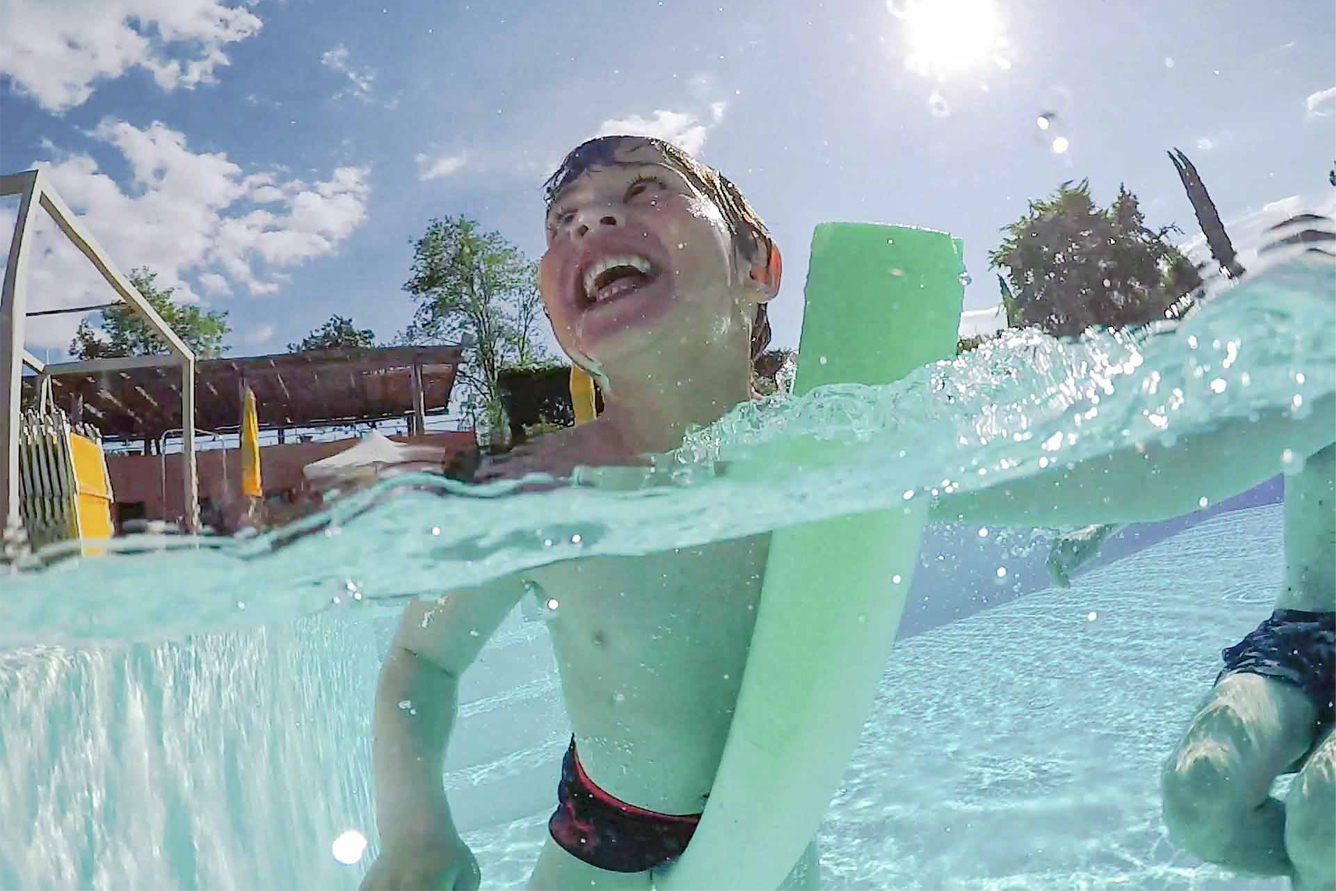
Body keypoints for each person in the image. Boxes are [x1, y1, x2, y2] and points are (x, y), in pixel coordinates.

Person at [361, 135, 1335, 891]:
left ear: (757, 263)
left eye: (639, 191)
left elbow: (1132, 474)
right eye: (564, 219)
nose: (586, 225)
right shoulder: (536, 485)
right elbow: (423, 660)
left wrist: (1298, 404)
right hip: (598, 837)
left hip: (772, 825)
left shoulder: (845, 441)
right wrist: (416, 821)